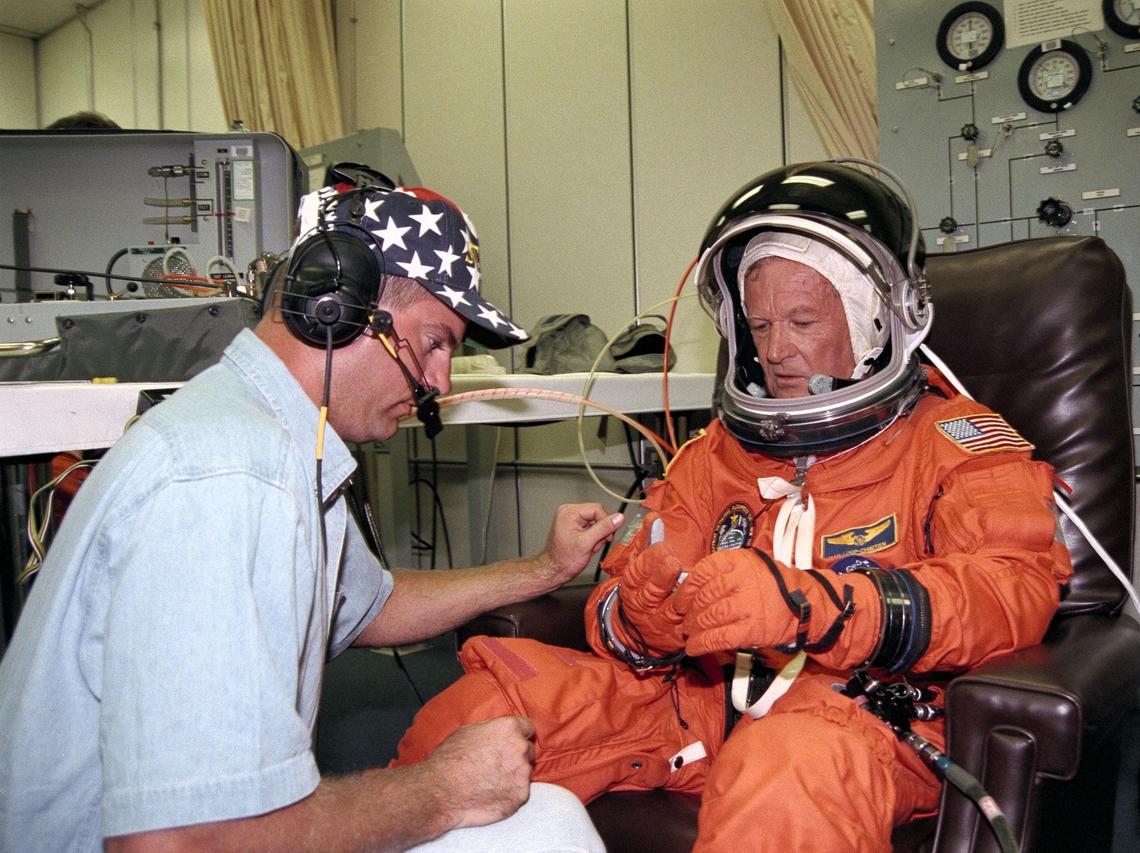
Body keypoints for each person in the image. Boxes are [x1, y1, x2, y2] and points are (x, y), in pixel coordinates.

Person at [387, 161, 1074, 851]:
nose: (776, 350)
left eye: (803, 320)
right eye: (762, 324)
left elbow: (1006, 587)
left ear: (876, 320)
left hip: (855, 719)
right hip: (689, 705)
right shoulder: (713, 455)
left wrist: (818, 606)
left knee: (783, 771)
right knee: (473, 717)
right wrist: (636, 615)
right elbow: (615, 608)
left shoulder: (958, 444)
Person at [0, 181, 619, 852]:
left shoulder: (273, 439)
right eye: (434, 341)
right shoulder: (232, 476)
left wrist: (542, 569)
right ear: (340, 307)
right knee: (546, 830)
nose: (441, 382)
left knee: (547, 816)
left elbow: (370, 604)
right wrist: (443, 788)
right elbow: (179, 841)